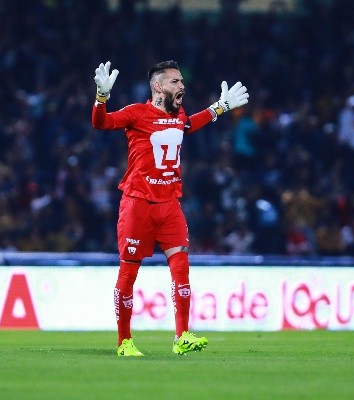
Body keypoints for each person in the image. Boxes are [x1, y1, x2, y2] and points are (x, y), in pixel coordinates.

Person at [91, 60, 249, 356]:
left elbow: (189, 125)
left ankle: (182, 336)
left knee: (181, 267)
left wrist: (221, 107)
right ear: (158, 86)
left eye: (182, 82)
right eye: (175, 81)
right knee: (128, 274)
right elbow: (101, 123)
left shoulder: (179, 115)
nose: (182, 86)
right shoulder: (136, 113)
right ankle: (124, 342)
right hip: (138, 203)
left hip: (169, 204)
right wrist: (101, 97)